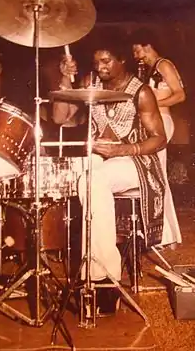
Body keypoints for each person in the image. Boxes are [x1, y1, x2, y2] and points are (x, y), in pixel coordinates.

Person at [52, 41, 167, 314]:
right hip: (101, 162)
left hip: (135, 162)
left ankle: (103, 277)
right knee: (79, 175)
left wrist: (123, 149)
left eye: (107, 61)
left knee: (93, 180)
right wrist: (64, 79)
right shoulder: (90, 82)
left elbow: (159, 139)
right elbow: (58, 118)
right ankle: (94, 275)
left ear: (123, 60)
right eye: (96, 63)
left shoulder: (141, 91)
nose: (100, 68)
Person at [131, 28, 186, 249]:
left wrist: (153, 105)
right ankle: (166, 235)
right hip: (153, 123)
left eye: (137, 50)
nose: (136, 56)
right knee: (156, 175)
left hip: (163, 122)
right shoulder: (149, 69)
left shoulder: (164, 64)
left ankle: (167, 235)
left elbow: (180, 94)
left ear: (147, 46)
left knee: (157, 177)